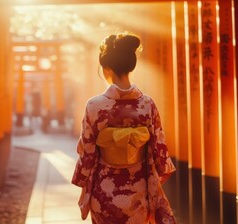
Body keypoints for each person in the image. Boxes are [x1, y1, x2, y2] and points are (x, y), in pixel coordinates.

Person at [71, 32, 176, 224]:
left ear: (107, 68)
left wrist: (81, 179)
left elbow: (87, 151)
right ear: (131, 65)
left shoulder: (95, 106)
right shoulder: (146, 104)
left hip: (104, 190)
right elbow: (159, 147)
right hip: (138, 189)